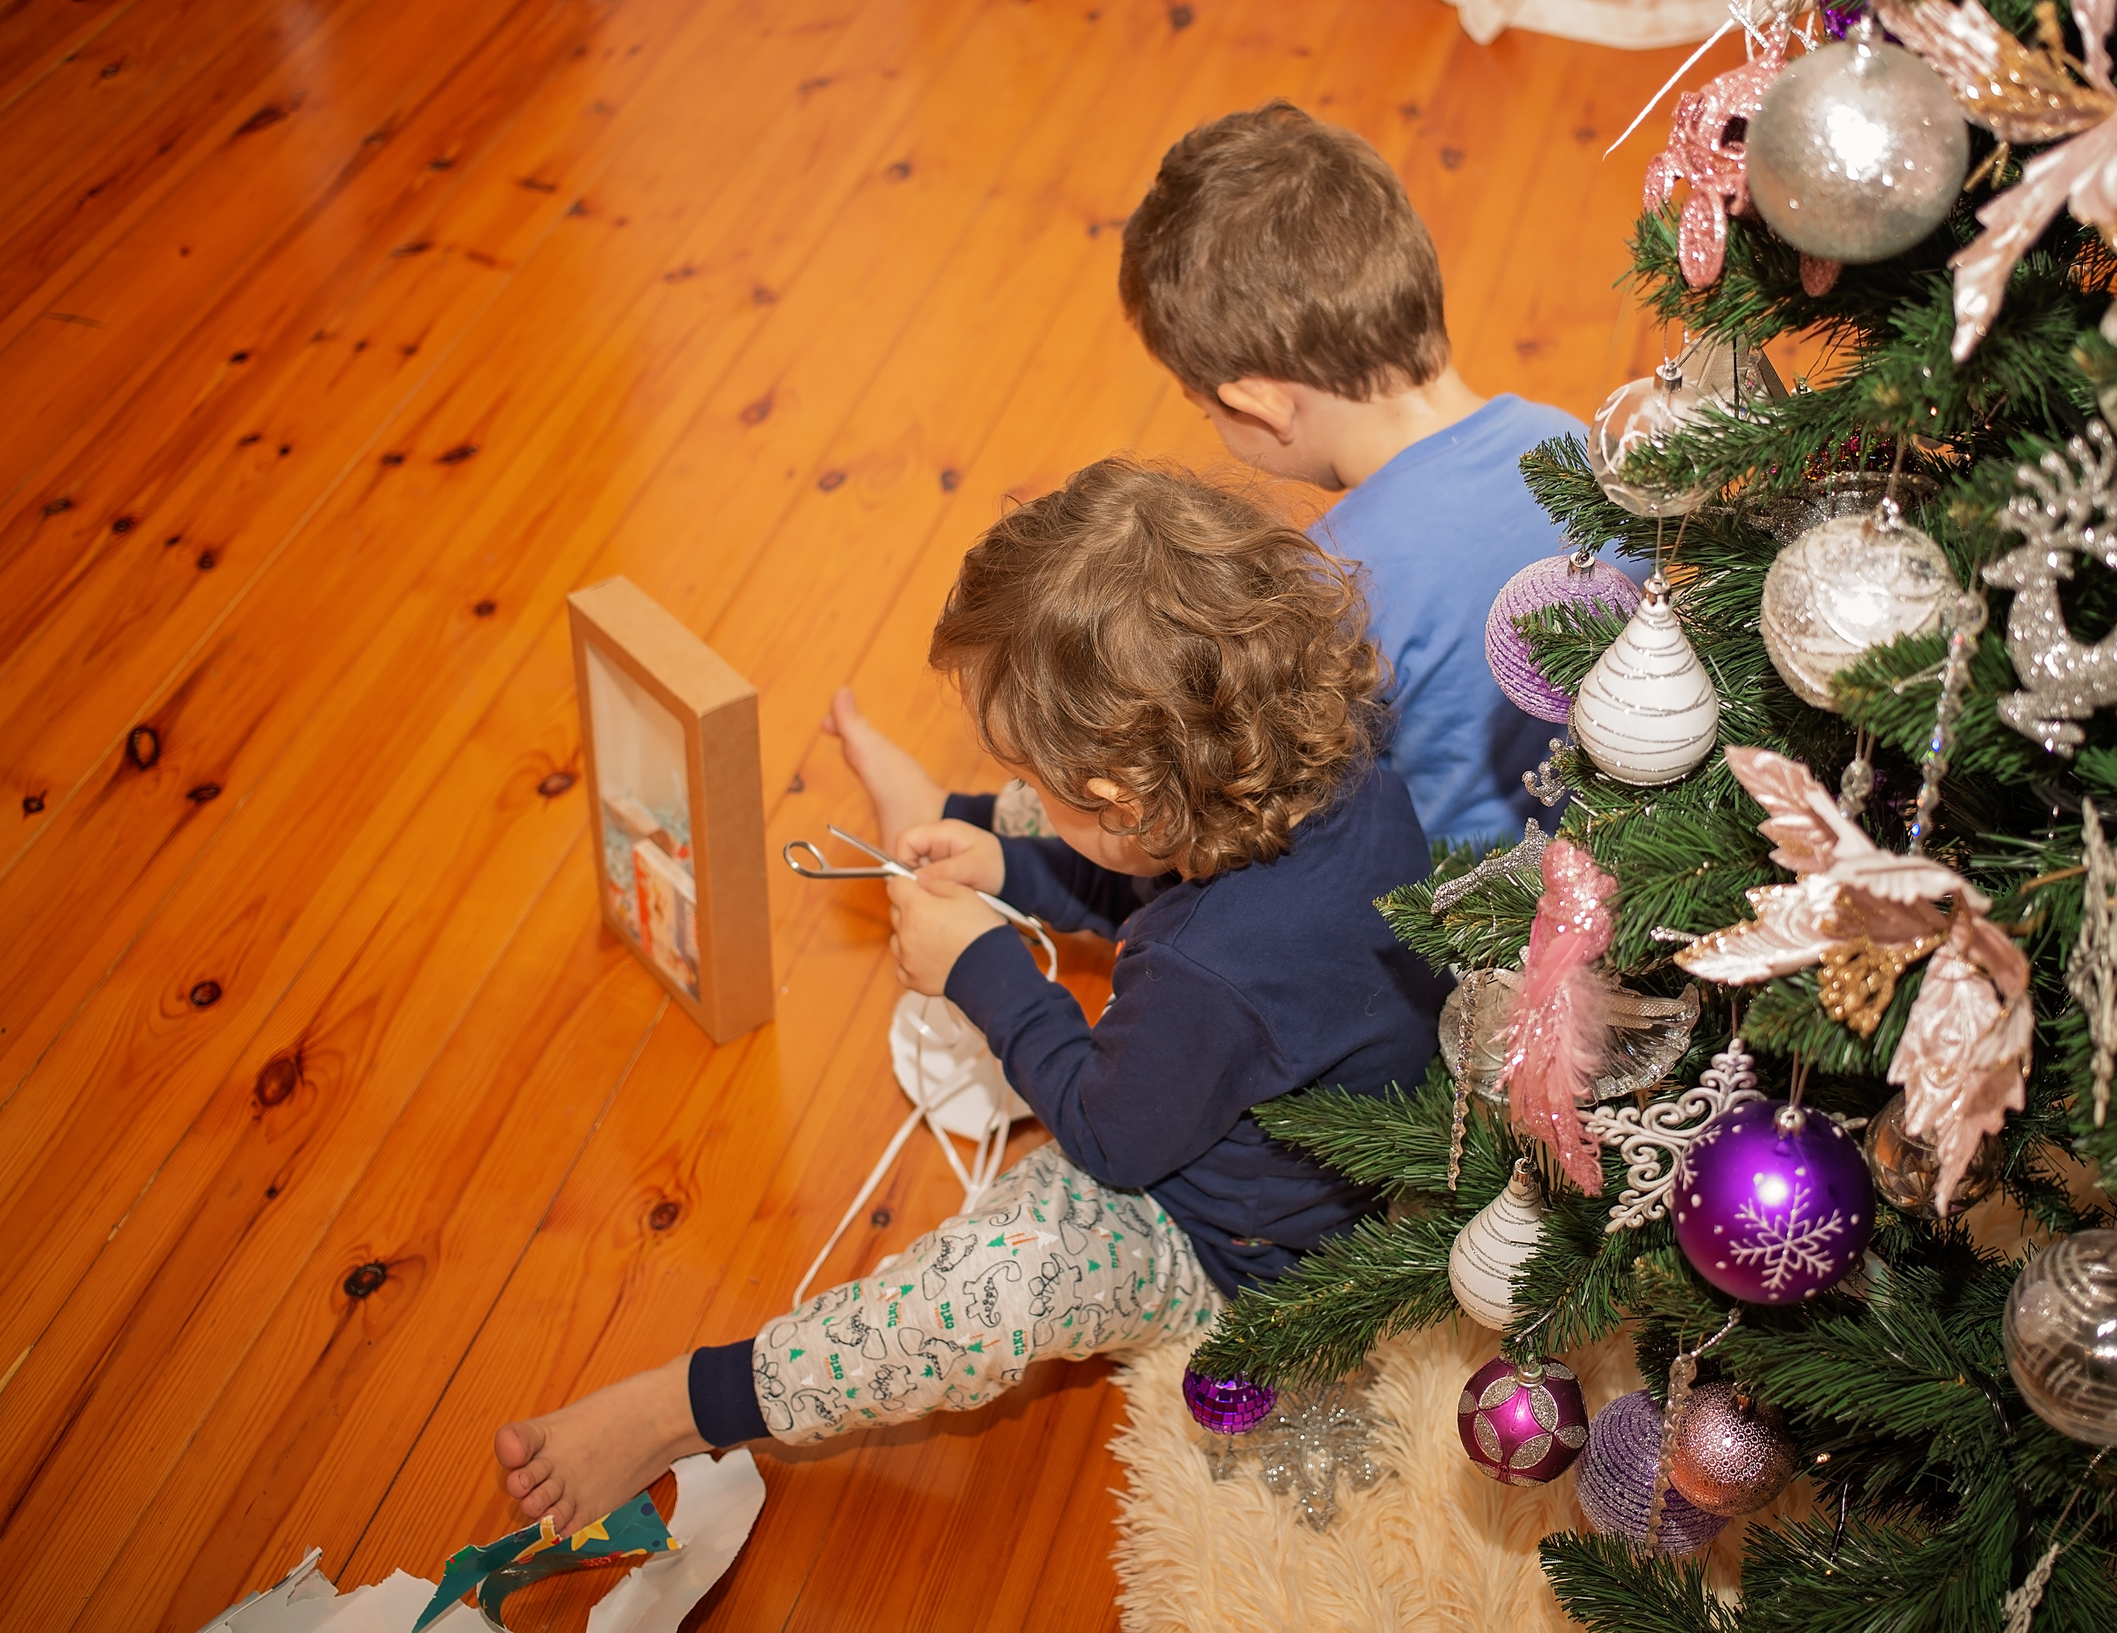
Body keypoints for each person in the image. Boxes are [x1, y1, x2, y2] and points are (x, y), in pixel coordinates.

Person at [493, 461, 1444, 1532]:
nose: (1042, 796)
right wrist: (1006, 866)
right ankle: (954, 819)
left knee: (970, 1293)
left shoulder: (1202, 974)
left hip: (1241, 1251)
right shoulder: (1336, 772)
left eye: (1035, 781)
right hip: (1331, 1123)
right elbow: (1145, 858)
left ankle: (683, 1406)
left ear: (1118, 804)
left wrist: (981, 972)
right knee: (1074, 829)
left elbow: (1110, 1140)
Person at [834, 100, 1600, 853]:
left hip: (1433, 913)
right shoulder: (1574, 446)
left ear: (1259, 403)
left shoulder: (1333, 581)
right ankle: (969, 816)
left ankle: (963, 822)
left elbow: (1216, 803)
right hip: (1602, 848)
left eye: (1206, 413)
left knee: (1169, 791)